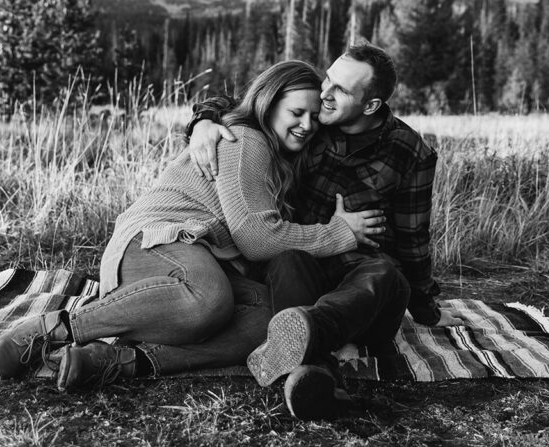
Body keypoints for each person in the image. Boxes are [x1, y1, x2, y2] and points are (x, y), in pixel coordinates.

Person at [0, 60, 386, 391]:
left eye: (315, 116)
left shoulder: (280, 158)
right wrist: (340, 233)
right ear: (267, 103)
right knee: (209, 299)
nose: (307, 124)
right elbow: (259, 239)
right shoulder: (247, 140)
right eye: (297, 113)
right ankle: (52, 328)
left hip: (193, 261)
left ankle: (120, 360)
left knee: (272, 320)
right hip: (156, 240)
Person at [188, 43, 439, 420]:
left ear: (370, 106)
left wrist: (425, 307)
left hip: (364, 287)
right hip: (302, 267)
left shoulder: (410, 151)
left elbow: (412, 236)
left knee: (384, 272)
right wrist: (203, 121)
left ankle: (307, 335)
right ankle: (313, 373)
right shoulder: (309, 122)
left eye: (340, 89)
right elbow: (249, 102)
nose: (325, 93)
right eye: (328, 78)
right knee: (287, 260)